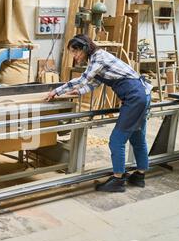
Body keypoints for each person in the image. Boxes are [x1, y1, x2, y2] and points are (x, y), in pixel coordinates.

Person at [46, 34, 152, 193]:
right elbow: (93, 83)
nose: (75, 57)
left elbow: (83, 79)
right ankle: (139, 176)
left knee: (116, 140)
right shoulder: (97, 59)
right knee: (137, 137)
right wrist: (78, 92)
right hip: (142, 95)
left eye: (75, 52)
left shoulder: (98, 57)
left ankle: (118, 180)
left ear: (84, 48)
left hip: (135, 97)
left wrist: (57, 91)